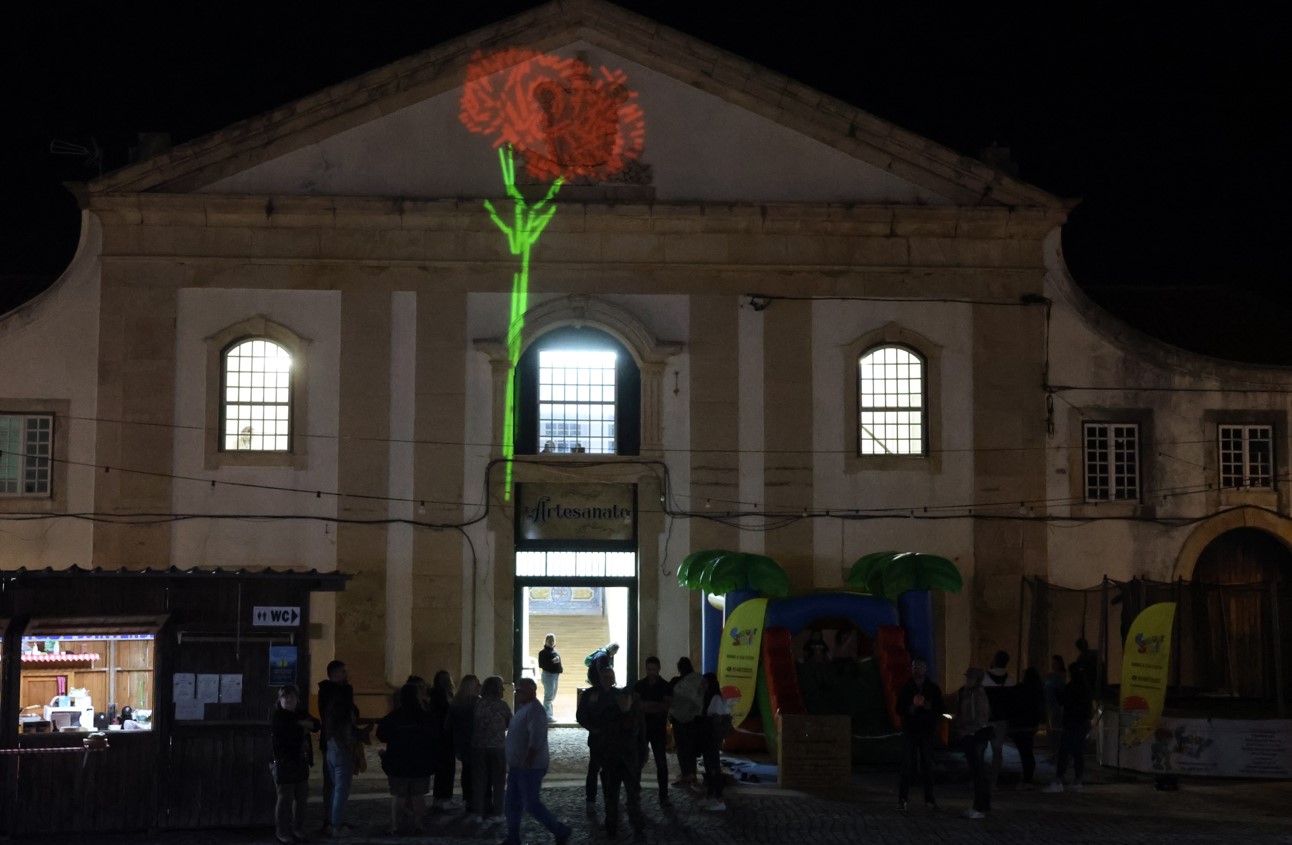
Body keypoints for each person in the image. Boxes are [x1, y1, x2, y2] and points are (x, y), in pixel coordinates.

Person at [500, 677, 572, 845]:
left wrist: (528, 757)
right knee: (512, 803)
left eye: (521, 690)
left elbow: (537, 737)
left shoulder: (535, 710)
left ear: (532, 692)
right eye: (517, 690)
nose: (518, 693)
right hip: (518, 765)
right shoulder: (523, 709)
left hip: (529, 766)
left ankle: (560, 830)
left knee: (530, 804)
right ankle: (513, 837)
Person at [376, 682, 437, 834]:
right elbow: (435, 737)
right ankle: (418, 824)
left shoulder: (394, 717)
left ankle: (396, 825)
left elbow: (381, 734)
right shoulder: (426, 717)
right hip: (421, 761)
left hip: (398, 760)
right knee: (418, 795)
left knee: (398, 794)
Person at [318, 659, 360, 835]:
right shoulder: (339, 694)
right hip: (340, 741)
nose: (347, 674)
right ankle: (334, 823)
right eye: (343, 671)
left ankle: (334, 819)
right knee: (339, 786)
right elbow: (348, 715)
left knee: (334, 785)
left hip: (330, 741)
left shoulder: (326, 692)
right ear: (334, 674)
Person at [271, 684, 318, 844]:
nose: (288, 699)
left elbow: (316, 725)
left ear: (297, 699)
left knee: (302, 797)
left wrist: (300, 724)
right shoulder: (279, 716)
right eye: (285, 696)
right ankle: (282, 830)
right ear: (280, 699)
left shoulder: (300, 713)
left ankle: (298, 828)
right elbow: (291, 734)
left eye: (292, 696)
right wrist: (303, 725)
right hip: (285, 762)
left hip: (300, 761)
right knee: (285, 798)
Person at [598, 685, 646, 837]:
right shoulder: (610, 714)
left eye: (627, 699)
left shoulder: (637, 716)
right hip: (612, 761)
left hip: (630, 762)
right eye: (621, 698)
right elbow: (603, 738)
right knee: (612, 796)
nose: (624, 701)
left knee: (633, 796)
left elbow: (642, 740)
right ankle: (611, 826)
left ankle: (637, 825)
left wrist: (641, 760)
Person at [896, 657, 943, 810]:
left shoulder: (932, 688)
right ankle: (902, 799)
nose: (917, 670)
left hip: (926, 731)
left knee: (927, 765)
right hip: (910, 730)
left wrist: (929, 707)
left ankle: (929, 799)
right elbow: (899, 708)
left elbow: (940, 709)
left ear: (926, 669)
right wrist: (910, 708)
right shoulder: (907, 687)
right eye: (915, 667)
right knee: (907, 765)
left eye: (920, 667)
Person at [1045, 662, 1093, 793]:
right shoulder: (1086, 688)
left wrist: (1054, 688)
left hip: (1071, 722)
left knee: (1064, 751)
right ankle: (1078, 780)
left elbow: (1061, 700)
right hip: (1083, 722)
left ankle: (1058, 780)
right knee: (1078, 752)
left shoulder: (1071, 687)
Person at [576, 665, 618, 813]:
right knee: (594, 768)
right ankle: (591, 799)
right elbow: (581, 715)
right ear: (600, 678)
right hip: (597, 737)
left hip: (613, 739)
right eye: (605, 677)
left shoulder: (618, 695)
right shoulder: (590, 694)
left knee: (610, 770)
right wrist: (592, 728)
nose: (608, 680)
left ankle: (610, 798)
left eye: (610, 677)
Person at [633, 655, 673, 808]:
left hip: (656, 730)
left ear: (658, 669)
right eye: (649, 669)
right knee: (637, 763)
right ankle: (635, 792)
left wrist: (646, 706)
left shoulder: (664, 686)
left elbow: (665, 706)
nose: (651, 672)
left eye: (653, 669)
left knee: (661, 763)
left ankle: (663, 795)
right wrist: (656, 706)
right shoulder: (640, 685)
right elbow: (638, 705)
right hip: (643, 729)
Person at [472, 675, 511, 823]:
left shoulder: (478, 704)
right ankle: (498, 812)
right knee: (498, 782)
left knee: (480, 781)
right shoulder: (502, 706)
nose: (503, 689)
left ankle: (478, 813)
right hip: (497, 746)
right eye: (501, 687)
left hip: (479, 746)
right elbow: (510, 723)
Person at [957, 667, 992, 819]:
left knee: (978, 773)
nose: (968, 680)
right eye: (968, 677)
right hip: (969, 734)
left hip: (976, 735)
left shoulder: (978, 694)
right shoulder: (966, 692)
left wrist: (968, 730)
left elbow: (982, 718)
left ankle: (980, 806)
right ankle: (981, 805)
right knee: (977, 772)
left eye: (971, 678)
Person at [668, 657, 704, 788]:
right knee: (691, 748)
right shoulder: (698, 680)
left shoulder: (676, 682)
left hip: (679, 720)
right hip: (694, 720)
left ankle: (685, 775)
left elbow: (670, 698)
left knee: (682, 749)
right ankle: (692, 775)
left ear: (679, 668)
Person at [450, 674, 482, 815]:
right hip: (475, 742)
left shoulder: (456, 703)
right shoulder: (477, 703)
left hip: (462, 742)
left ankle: (468, 799)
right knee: (477, 772)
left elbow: (450, 724)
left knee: (467, 771)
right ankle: (477, 800)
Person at [1010, 667, 1047, 787]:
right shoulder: (1037, 690)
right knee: (1027, 751)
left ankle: (1027, 778)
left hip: (1019, 724)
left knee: (1025, 752)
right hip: (1030, 725)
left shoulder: (1019, 689)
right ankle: (1027, 777)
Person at [981, 650, 1013, 786]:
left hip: (984, 718)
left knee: (980, 749)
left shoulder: (984, 677)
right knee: (997, 751)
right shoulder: (1009, 680)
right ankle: (994, 780)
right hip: (1001, 719)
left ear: (994, 660)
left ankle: (979, 779)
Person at [429, 670, 458, 810]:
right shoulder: (437, 695)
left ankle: (443, 797)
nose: (447, 681)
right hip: (442, 735)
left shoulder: (449, 694)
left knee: (447, 768)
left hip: (448, 735)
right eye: (444, 679)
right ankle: (442, 798)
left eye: (448, 678)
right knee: (444, 768)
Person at [699, 672, 729, 811]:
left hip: (711, 736)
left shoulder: (715, 698)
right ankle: (711, 794)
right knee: (708, 765)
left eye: (705, 683)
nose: (702, 685)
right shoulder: (706, 697)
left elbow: (718, 718)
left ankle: (718, 797)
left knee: (714, 766)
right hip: (706, 736)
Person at [1043, 655, 1066, 757]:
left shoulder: (1059, 676)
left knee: (1055, 728)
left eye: (1054, 663)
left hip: (1055, 705)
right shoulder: (1051, 676)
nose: (1053, 665)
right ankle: (1053, 749)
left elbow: (1059, 690)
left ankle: (1056, 750)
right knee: (1051, 728)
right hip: (1049, 705)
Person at [538, 633, 563, 722]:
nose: (551, 642)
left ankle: (549, 713)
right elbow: (541, 664)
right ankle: (547, 715)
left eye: (552, 641)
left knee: (552, 695)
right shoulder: (543, 653)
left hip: (555, 675)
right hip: (548, 675)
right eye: (549, 641)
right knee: (548, 696)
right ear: (546, 641)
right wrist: (552, 661)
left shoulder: (554, 651)